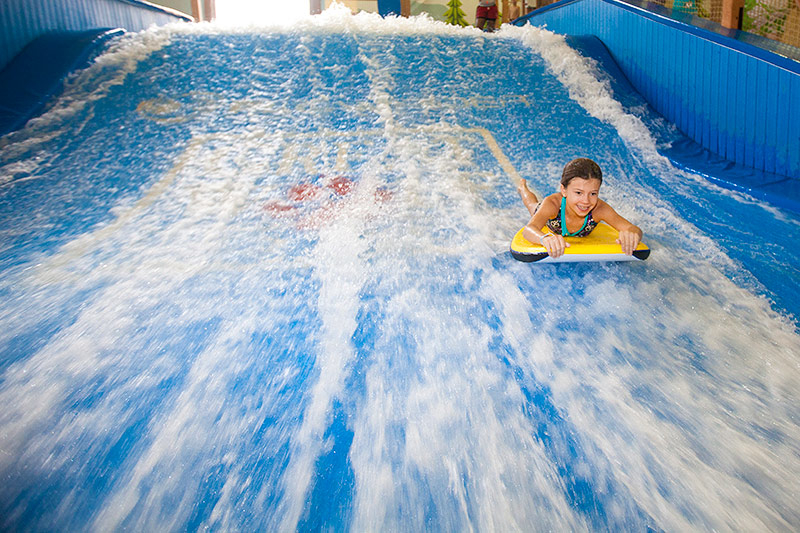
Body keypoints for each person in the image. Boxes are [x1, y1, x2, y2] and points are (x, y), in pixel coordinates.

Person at [517, 158, 643, 258]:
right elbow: (528, 230)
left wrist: (632, 235)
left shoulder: (599, 209)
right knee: (532, 205)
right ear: (564, 190)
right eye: (578, 193)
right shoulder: (553, 204)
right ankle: (522, 188)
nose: (586, 201)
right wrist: (545, 238)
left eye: (593, 193)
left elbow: (633, 228)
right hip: (549, 220)